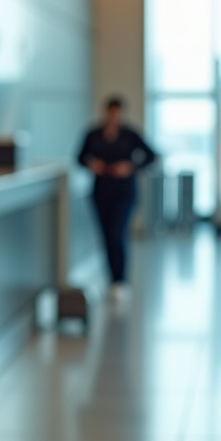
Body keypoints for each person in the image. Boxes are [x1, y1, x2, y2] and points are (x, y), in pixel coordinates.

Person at [76, 96, 156, 294]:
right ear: (106, 113)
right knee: (106, 236)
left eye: (118, 113)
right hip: (101, 191)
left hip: (124, 192)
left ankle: (121, 280)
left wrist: (130, 166)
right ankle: (112, 279)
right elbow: (79, 157)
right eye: (111, 113)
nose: (114, 117)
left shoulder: (130, 134)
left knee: (117, 233)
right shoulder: (93, 134)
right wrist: (92, 164)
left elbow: (151, 156)